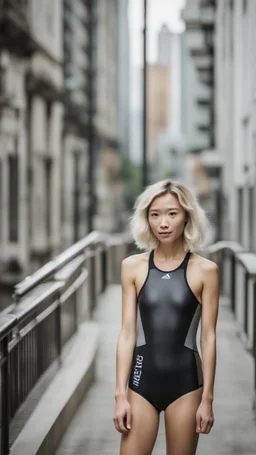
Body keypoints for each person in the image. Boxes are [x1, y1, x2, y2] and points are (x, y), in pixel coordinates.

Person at [113, 180, 219, 455]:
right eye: (155, 214)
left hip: (185, 385)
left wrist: (207, 399)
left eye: (172, 213)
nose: (163, 222)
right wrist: (120, 395)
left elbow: (208, 337)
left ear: (187, 216)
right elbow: (127, 333)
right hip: (141, 382)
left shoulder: (206, 270)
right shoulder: (132, 267)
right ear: (146, 219)